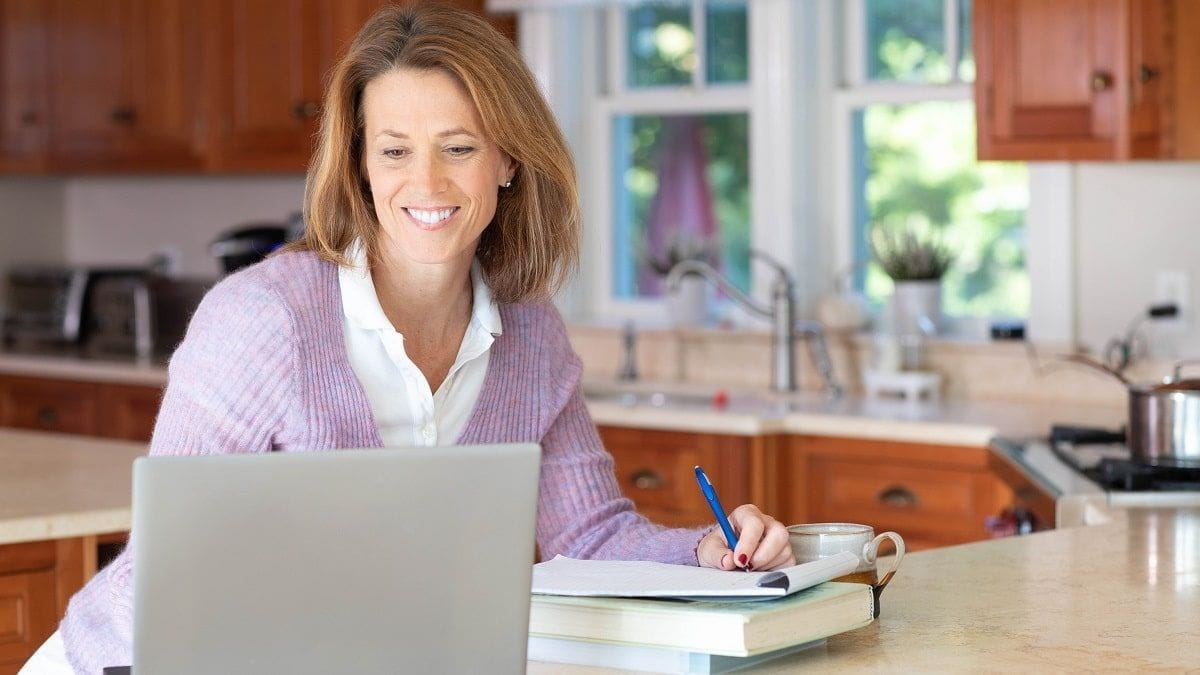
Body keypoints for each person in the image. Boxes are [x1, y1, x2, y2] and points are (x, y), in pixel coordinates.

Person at [27, 5, 795, 673]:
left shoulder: (530, 334)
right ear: (360, 166)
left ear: (507, 160)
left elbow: (586, 537)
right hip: (132, 661)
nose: (425, 184)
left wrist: (703, 552)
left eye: (458, 147)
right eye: (394, 150)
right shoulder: (262, 320)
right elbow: (176, 568)